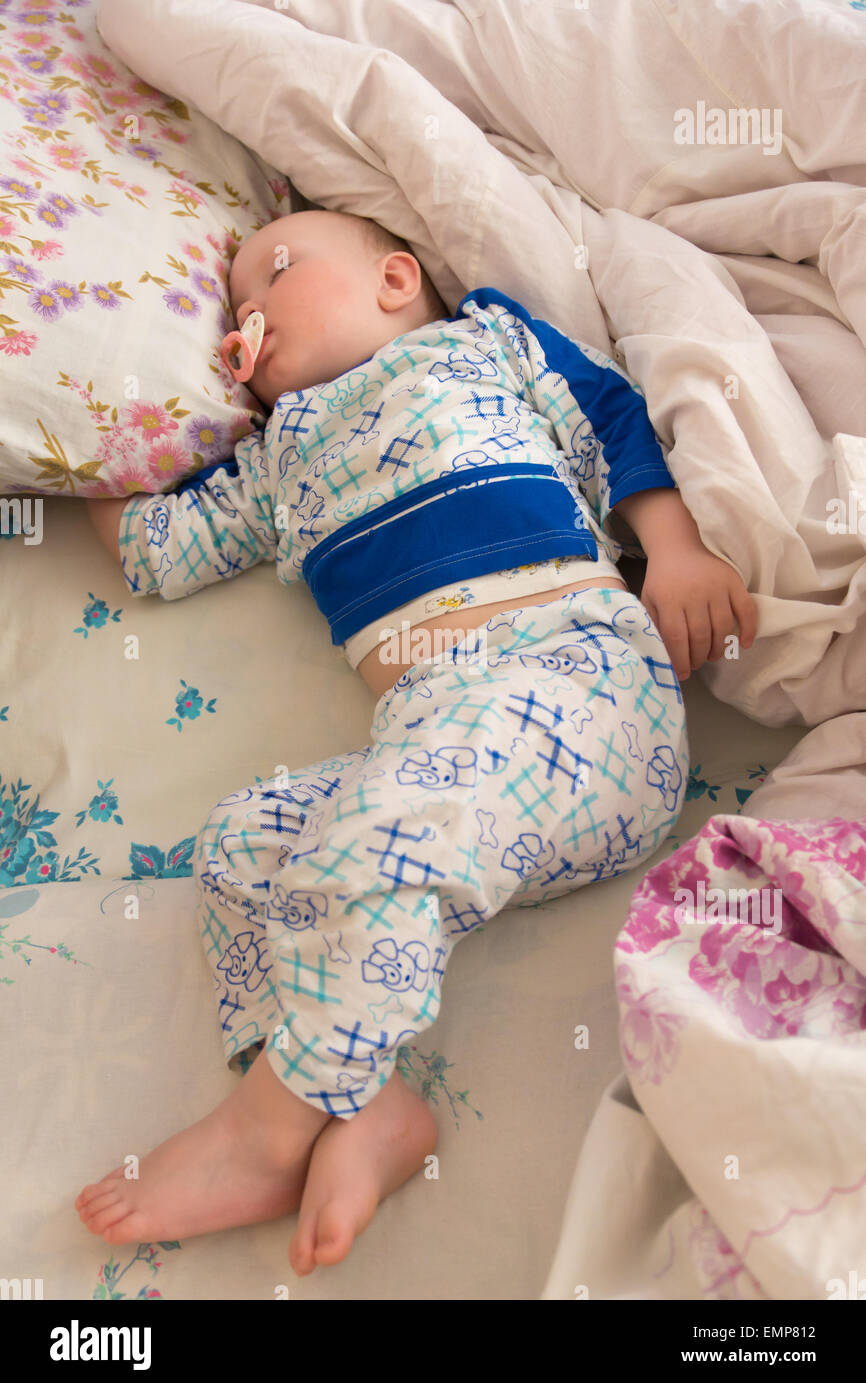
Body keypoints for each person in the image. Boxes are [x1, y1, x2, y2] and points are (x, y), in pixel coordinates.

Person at [76, 209, 756, 1275]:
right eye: (232, 305)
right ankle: (363, 1099)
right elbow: (159, 549)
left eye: (277, 271)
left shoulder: (477, 341)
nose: (246, 309)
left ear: (396, 278)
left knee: (386, 827)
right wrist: (89, 430)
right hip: (437, 740)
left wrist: (668, 544)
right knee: (248, 840)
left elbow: (606, 411)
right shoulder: (277, 461)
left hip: (578, 691)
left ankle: (268, 1123)